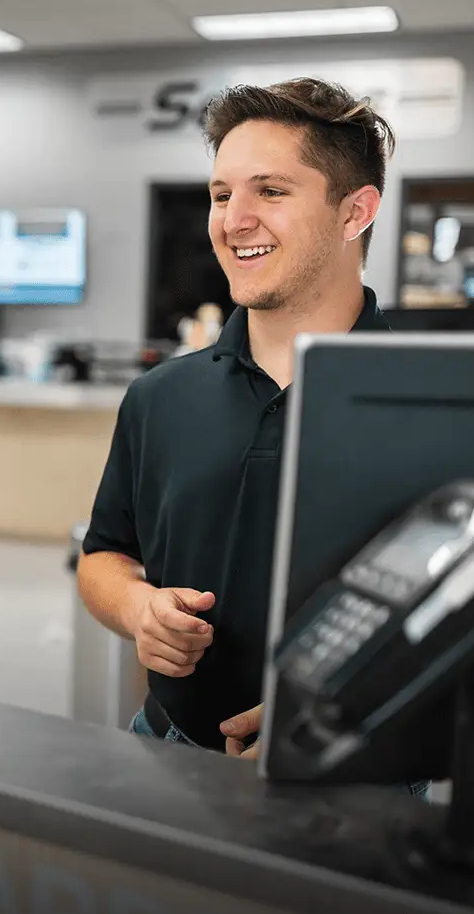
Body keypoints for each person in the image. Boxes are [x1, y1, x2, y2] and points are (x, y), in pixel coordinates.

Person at [78, 77, 396, 762]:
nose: (233, 219)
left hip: (358, 775)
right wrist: (138, 610)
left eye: (270, 191)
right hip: (164, 748)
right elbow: (103, 556)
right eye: (222, 195)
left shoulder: (432, 401)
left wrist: (342, 711)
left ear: (355, 212)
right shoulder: (160, 397)